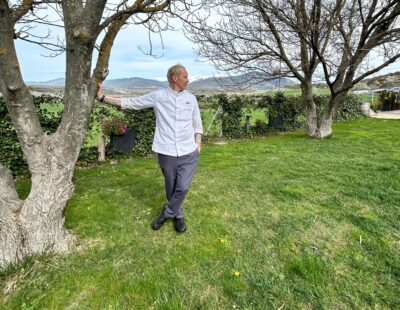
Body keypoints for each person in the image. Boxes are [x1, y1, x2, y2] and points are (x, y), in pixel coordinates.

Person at [96, 64, 203, 233]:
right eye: (185, 77)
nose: (188, 80)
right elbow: (131, 103)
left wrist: (198, 144)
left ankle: (167, 213)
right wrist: (102, 98)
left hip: (189, 150)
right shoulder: (158, 96)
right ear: (175, 78)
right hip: (166, 150)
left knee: (182, 186)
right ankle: (179, 214)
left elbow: (197, 122)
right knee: (171, 186)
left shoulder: (191, 98)